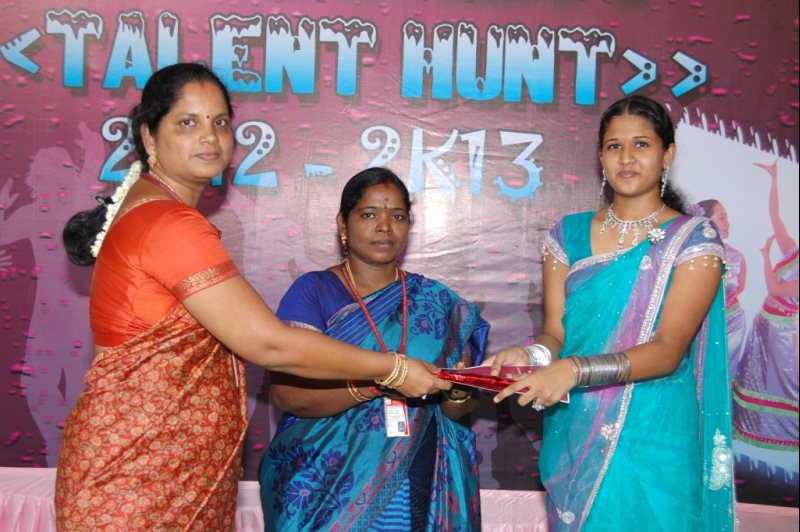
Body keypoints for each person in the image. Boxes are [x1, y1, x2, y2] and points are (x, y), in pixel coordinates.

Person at [56, 64, 449, 530]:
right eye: (188, 122)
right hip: (140, 477)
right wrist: (393, 369)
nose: (210, 137)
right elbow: (270, 345)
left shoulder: (153, 210)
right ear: (148, 135)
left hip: (163, 469)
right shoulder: (166, 222)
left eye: (220, 122)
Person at [488, 95, 735, 530]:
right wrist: (529, 356)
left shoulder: (693, 240)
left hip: (657, 431)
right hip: (578, 426)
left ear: (667, 155)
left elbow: (667, 351)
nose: (626, 158)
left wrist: (574, 370)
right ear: (600, 156)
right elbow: (555, 334)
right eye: (614, 146)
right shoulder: (568, 235)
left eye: (641, 144)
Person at [259, 167, 489, 531]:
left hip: (416, 475)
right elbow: (289, 396)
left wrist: (458, 393)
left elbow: (457, 411)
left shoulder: (439, 302)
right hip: (323, 485)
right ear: (343, 224)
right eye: (369, 215)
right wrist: (380, 382)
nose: (384, 227)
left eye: (397, 216)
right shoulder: (313, 292)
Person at [733, 160, 798, 464]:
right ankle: (747, 426)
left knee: (777, 380)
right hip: (765, 322)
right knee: (753, 372)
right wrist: (774, 180)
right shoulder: (794, 251)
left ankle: (779, 434)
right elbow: (776, 217)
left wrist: (765, 257)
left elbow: (774, 287)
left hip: (781, 332)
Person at [694, 199, 748, 375]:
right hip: (700, 323)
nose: (727, 222)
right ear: (706, 222)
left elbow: (739, 288)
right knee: (699, 370)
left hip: (731, 321)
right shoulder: (692, 255)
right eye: (722, 217)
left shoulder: (736, 256)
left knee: (724, 371)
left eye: (726, 217)